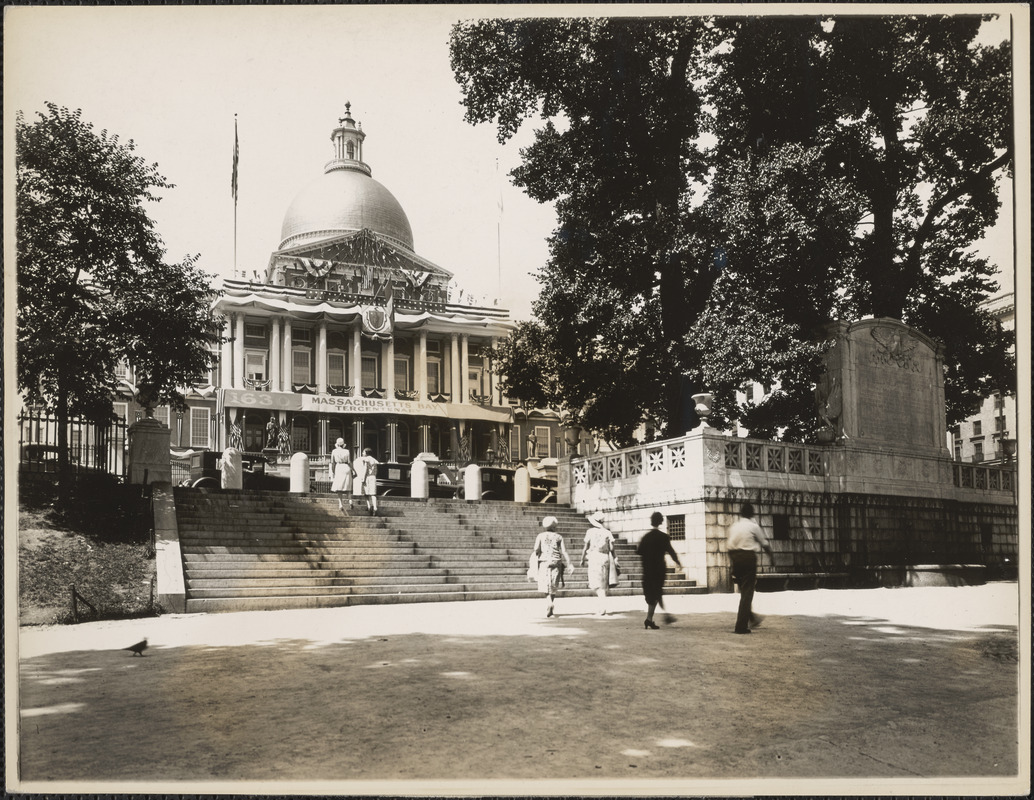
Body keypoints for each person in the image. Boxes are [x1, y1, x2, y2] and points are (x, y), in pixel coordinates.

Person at [726, 502, 773, 634]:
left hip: (736, 558)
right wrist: (772, 557)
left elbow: (729, 547)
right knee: (747, 593)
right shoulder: (753, 526)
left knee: (743, 591)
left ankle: (752, 617)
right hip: (748, 559)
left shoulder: (734, 527)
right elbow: (764, 544)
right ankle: (741, 626)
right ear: (751, 513)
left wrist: (733, 564)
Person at [635, 511, 682, 630]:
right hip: (659, 570)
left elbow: (639, 551)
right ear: (661, 522)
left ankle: (653, 619)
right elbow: (671, 551)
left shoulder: (646, 537)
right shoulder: (663, 537)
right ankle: (653, 618)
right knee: (656, 593)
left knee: (654, 594)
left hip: (648, 570)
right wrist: (678, 562)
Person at [531, 515, 573, 618]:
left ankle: (549, 602)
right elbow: (564, 551)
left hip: (544, 561)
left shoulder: (540, 536)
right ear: (555, 526)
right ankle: (551, 607)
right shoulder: (559, 537)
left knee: (545, 583)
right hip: (556, 561)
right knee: (554, 584)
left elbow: (536, 549)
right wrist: (569, 563)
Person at [579, 512, 615, 616]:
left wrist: (582, 559)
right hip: (605, 557)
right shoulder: (607, 532)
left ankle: (602, 607)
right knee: (603, 582)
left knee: (596, 582)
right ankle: (601, 605)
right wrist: (615, 558)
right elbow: (612, 548)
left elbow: (586, 546)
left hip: (594, 557)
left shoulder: (590, 531)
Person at [328, 438, 355, 511]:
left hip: (339, 467)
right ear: (343, 444)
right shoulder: (347, 451)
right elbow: (349, 462)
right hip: (346, 467)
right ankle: (350, 501)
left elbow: (332, 462)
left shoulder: (334, 451)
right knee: (347, 487)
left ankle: (340, 504)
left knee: (339, 488)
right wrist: (353, 470)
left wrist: (333, 471)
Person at [353, 448, 380, 516]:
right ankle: (375, 507)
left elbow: (365, 470)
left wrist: (363, 478)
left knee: (366, 493)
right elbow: (376, 471)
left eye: (363, 452)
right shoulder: (374, 460)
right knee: (373, 494)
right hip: (373, 477)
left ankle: (369, 506)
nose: (362, 453)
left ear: (366, 453)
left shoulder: (366, 460)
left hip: (367, 477)